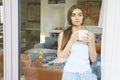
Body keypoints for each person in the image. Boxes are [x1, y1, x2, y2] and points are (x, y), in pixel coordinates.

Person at [57, 5, 97, 80]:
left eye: (80, 15)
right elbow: (60, 58)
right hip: (69, 74)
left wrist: (91, 43)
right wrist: (71, 41)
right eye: (73, 15)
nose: (76, 18)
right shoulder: (63, 34)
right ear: (70, 18)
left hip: (85, 73)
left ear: (83, 17)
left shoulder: (89, 35)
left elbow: (93, 59)